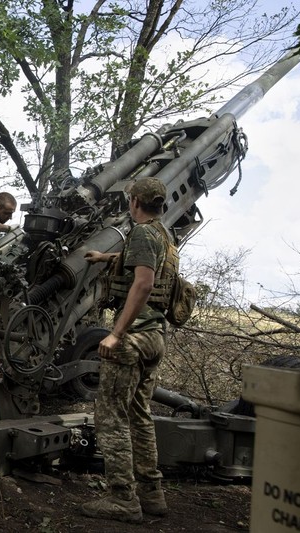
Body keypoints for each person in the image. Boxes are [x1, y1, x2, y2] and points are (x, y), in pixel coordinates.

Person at [79, 177, 173, 523]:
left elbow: (144, 282)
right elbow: (142, 261)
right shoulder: (164, 235)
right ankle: (152, 494)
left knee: (111, 415)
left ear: (134, 202)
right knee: (139, 415)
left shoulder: (143, 233)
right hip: (156, 337)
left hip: (133, 337)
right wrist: (105, 256)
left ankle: (122, 498)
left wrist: (116, 333)